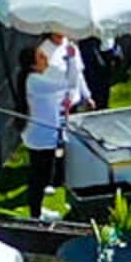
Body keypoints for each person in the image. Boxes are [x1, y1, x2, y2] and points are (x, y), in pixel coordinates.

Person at [21, 33, 89, 211]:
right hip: (41, 138)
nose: (46, 58)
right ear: (33, 65)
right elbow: (71, 83)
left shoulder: (37, 81)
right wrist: (72, 58)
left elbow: (57, 97)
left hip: (44, 135)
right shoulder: (36, 82)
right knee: (39, 177)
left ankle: (39, 208)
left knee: (44, 174)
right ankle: (35, 213)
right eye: (41, 57)